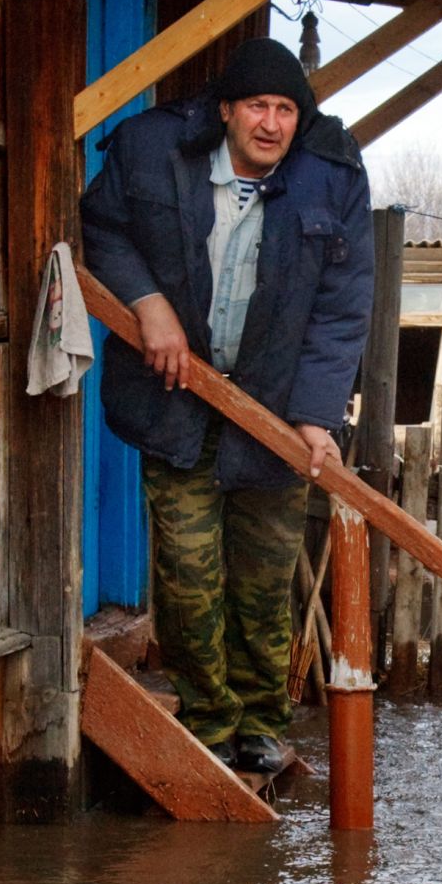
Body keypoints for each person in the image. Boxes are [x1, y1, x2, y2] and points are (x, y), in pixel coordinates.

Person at [82, 38, 373, 773]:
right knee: (186, 576)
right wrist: (146, 304)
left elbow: (342, 310)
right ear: (225, 112)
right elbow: (102, 229)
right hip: (177, 400)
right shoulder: (153, 155)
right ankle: (208, 723)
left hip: (272, 416)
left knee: (264, 580)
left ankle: (261, 724)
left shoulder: (330, 181)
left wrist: (315, 415)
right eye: (256, 107)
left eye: (285, 109)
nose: (270, 124)